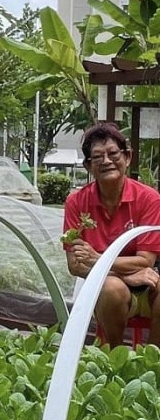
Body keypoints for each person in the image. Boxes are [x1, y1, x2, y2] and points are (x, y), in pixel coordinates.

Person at [64, 122, 160, 347]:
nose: (106, 161)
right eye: (98, 157)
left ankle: (152, 359)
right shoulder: (76, 202)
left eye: (113, 153)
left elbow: (146, 261)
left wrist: (97, 259)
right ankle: (114, 356)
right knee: (111, 288)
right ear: (88, 166)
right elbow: (75, 265)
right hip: (108, 285)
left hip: (149, 281)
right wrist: (125, 276)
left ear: (127, 157)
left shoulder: (149, 199)